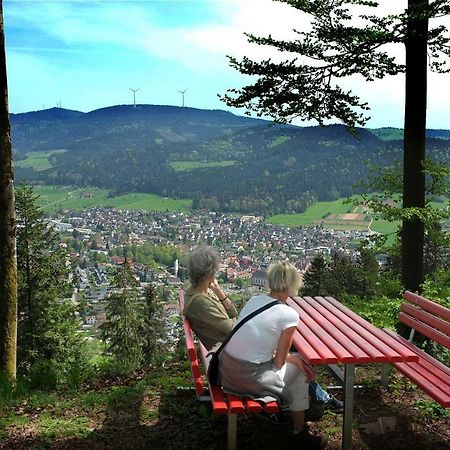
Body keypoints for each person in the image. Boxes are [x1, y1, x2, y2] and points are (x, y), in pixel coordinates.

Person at [219, 261, 327, 449]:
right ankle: (299, 432)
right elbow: (278, 362)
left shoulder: (254, 300)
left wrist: (292, 359)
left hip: (226, 373)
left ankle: (295, 412)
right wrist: (296, 360)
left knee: (297, 361)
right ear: (293, 284)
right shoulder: (289, 314)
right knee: (301, 371)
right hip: (249, 380)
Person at [183, 246, 238, 351]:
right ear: (210, 275)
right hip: (230, 354)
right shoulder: (200, 302)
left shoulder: (199, 293)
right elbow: (234, 329)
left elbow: (233, 313)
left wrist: (218, 291)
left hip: (230, 349)